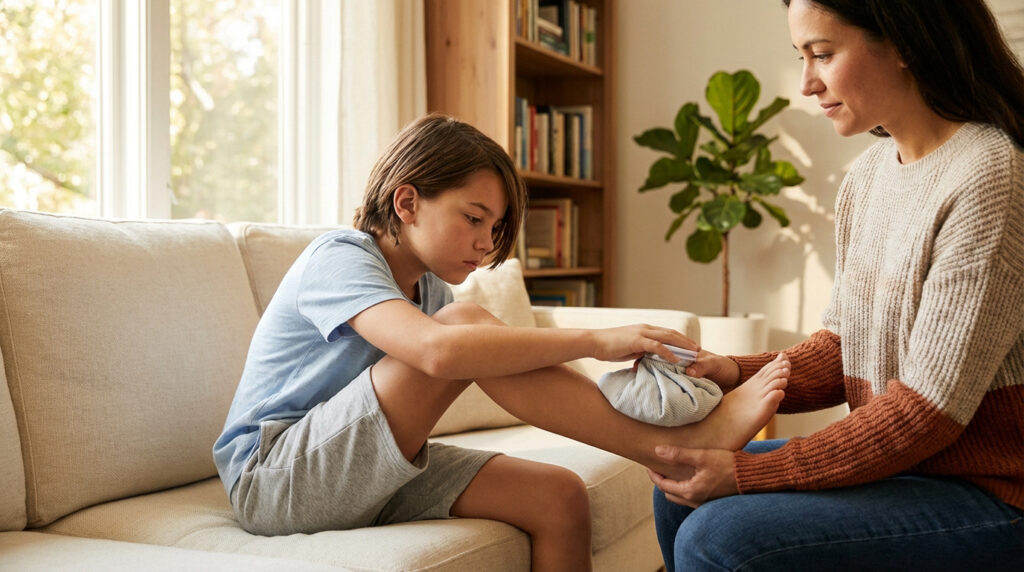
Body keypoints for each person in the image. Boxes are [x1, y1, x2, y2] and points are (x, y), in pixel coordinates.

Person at [212, 113, 790, 571]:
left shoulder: (429, 289)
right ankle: (674, 447)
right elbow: (436, 352)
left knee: (559, 496)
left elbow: (473, 356)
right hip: (274, 478)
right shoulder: (339, 257)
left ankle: (675, 444)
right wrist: (595, 340)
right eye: (473, 218)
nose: (486, 243)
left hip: (361, 468)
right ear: (406, 203)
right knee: (462, 325)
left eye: (494, 228)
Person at [648, 0, 1024, 569]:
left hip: (992, 492)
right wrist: (729, 371)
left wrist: (752, 472)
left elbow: (926, 410)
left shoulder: (990, 173)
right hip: (910, 472)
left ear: (903, 42)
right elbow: (846, 346)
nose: (806, 83)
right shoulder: (868, 177)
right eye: (800, 57)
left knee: (718, 536)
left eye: (822, 54)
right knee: (676, 488)